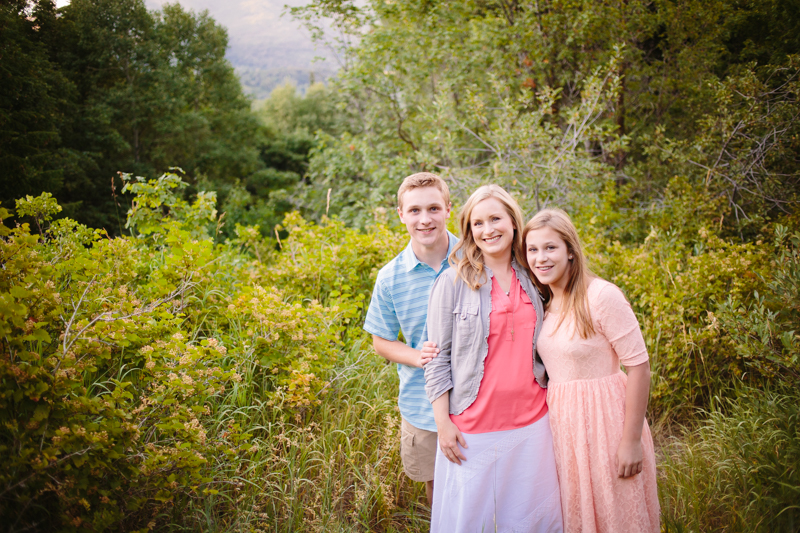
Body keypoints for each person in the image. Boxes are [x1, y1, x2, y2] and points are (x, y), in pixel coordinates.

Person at [424, 184, 563, 532]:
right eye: (478, 223)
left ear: (513, 221)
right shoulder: (452, 282)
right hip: (472, 429)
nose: (488, 230)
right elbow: (437, 360)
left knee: (532, 523)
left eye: (496, 219)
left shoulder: (536, 277)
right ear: (469, 230)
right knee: (470, 523)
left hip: (534, 424)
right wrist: (443, 424)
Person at [522, 208, 660, 533]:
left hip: (607, 423)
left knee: (617, 513)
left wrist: (631, 441)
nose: (541, 258)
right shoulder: (543, 302)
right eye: (532, 249)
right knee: (580, 515)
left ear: (570, 250)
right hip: (563, 428)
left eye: (550, 247)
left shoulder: (601, 296)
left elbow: (639, 367)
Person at [363, 172, 457, 506]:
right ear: (401, 214)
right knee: (438, 489)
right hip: (422, 406)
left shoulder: (475, 258)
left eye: (433, 208)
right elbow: (381, 341)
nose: (425, 219)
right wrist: (417, 356)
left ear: (448, 209)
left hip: (480, 399)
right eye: (415, 210)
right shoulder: (390, 277)